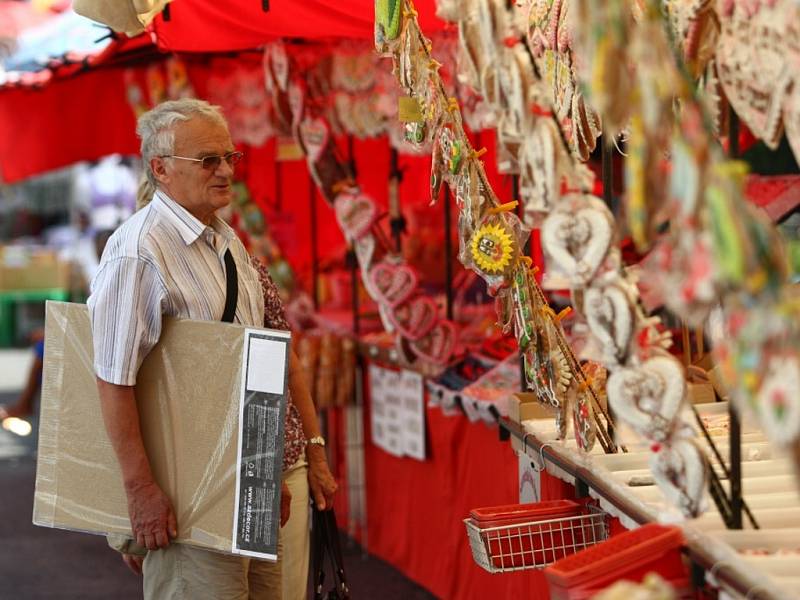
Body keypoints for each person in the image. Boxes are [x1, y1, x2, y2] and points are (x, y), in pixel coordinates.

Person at [88, 98, 337, 600]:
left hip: (245, 481)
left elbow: (257, 362)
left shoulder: (226, 242)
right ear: (161, 169)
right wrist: (140, 492)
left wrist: (266, 470)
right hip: (188, 493)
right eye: (208, 161)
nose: (225, 171)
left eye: (229, 157)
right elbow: (113, 379)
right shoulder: (140, 250)